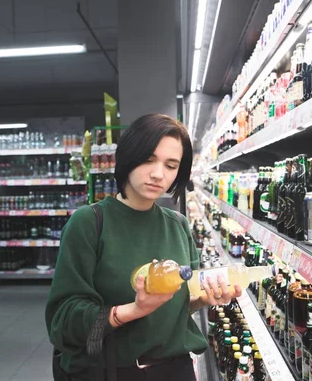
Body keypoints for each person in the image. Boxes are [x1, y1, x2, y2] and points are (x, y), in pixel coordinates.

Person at [46, 114, 243, 380]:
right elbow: (63, 322)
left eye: (171, 165)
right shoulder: (89, 223)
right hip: (112, 372)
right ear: (128, 155)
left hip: (175, 370)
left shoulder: (178, 225)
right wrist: (134, 310)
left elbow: (179, 306)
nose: (158, 174)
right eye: (149, 159)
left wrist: (203, 299)